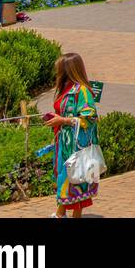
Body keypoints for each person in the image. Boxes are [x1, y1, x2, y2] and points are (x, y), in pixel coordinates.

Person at [46, 52, 101, 218]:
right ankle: (61, 213)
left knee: (76, 178)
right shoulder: (67, 88)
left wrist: (62, 120)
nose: (57, 73)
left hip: (77, 146)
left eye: (60, 69)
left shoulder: (82, 91)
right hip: (64, 143)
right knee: (66, 178)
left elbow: (90, 118)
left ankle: (67, 214)